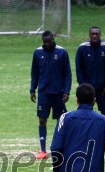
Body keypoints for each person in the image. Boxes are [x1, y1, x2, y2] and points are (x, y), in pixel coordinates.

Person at [30, 30, 72, 159]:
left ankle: (61, 147)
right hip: (43, 93)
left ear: (53, 39)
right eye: (45, 42)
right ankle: (43, 150)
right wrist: (32, 89)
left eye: (49, 42)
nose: (47, 44)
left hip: (58, 93)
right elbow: (35, 73)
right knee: (42, 120)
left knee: (61, 121)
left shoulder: (62, 52)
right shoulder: (38, 53)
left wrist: (66, 91)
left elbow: (67, 74)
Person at [75, 26, 105, 119]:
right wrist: (83, 87)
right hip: (88, 89)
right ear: (89, 35)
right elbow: (79, 70)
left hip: (103, 89)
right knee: (85, 114)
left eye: (96, 34)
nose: (94, 36)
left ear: (100, 35)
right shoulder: (82, 48)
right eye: (92, 34)